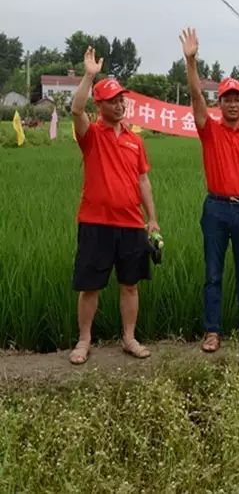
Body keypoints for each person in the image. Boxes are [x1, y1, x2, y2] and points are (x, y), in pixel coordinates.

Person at [180, 28, 239, 353]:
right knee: (213, 273)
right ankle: (212, 331)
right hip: (217, 209)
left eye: (237, 99)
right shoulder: (210, 130)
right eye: (227, 99)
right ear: (219, 103)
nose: (233, 104)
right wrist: (191, 61)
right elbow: (195, 97)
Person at [68, 46, 160, 365]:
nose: (120, 104)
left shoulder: (135, 140)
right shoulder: (91, 135)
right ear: (100, 104)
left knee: (130, 285)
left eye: (122, 99)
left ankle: (129, 338)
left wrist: (152, 219)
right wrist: (89, 75)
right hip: (96, 222)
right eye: (113, 100)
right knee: (90, 286)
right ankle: (84, 340)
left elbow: (143, 181)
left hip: (131, 223)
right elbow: (76, 110)